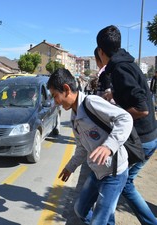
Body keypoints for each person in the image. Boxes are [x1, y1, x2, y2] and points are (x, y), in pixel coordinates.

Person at [47, 68, 132, 225]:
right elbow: (81, 147)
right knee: (80, 210)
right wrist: (70, 167)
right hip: (96, 172)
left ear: (66, 89)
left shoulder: (91, 102)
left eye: (55, 96)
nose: (55, 101)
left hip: (114, 173)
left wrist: (109, 146)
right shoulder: (74, 117)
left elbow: (125, 118)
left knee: (99, 220)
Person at [97, 25, 157, 225]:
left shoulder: (120, 69)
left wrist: (118, 116)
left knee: (116, 181)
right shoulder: (125, 63)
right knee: (122, 182)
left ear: (101, 51)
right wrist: (114, 94)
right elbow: (136, 90)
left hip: (143, 139)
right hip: (149, 136)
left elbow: (142, 108)